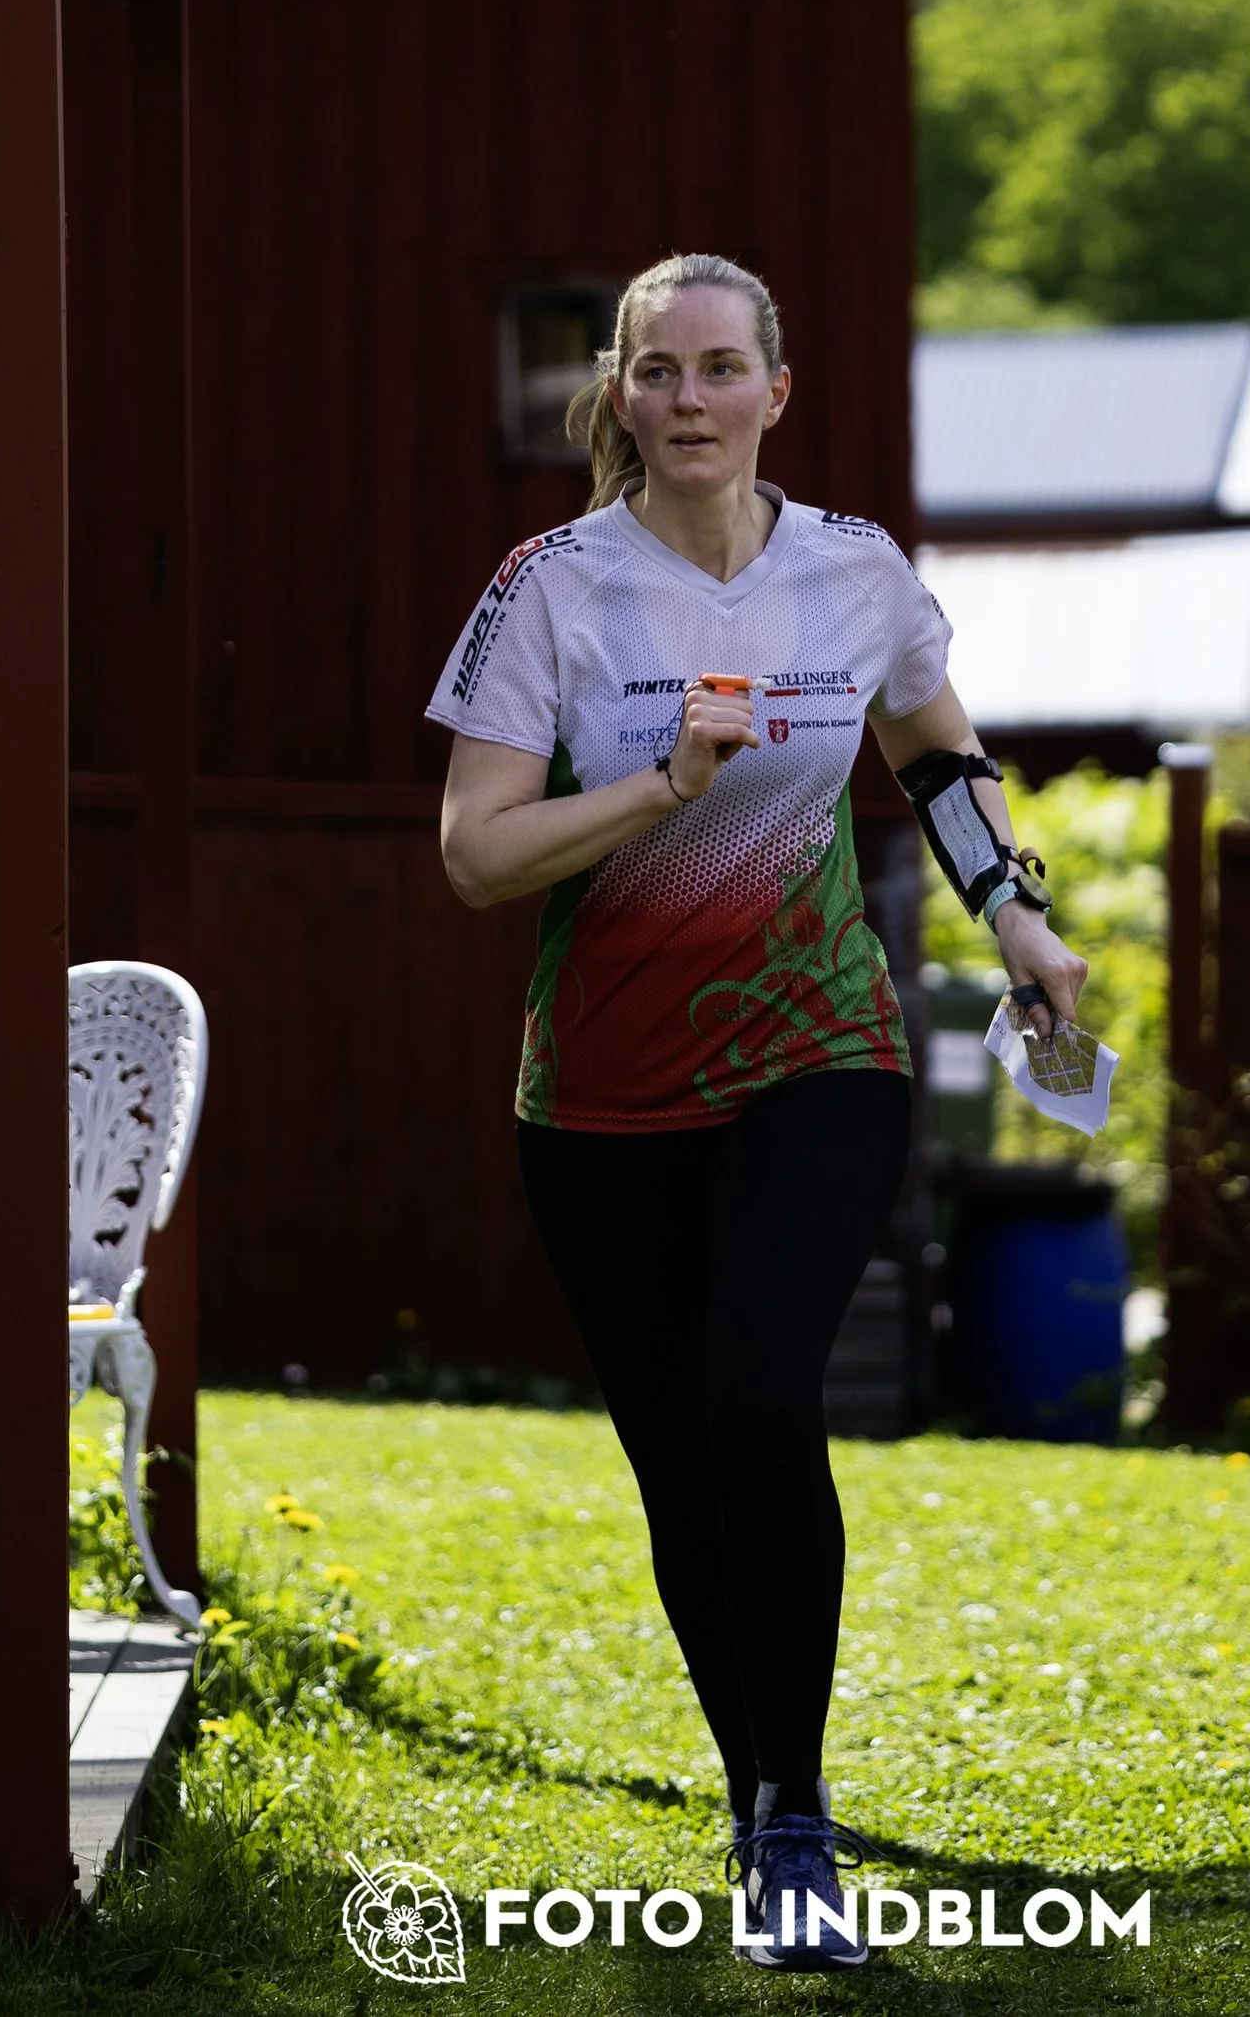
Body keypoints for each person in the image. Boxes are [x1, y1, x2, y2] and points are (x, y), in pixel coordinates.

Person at [428, 251, 1087, 1970]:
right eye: (662, 373)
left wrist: (1014, 913)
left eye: (725, 370)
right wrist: (661, 788)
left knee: (754, 1399)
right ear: (623, 393)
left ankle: (794, 1825)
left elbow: (937, 759)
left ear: (776, 392)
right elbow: (477, 854)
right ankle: (755, 1792)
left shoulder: (852, 575)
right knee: (678, 1472)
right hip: (601, 1098)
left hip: (814, 1051)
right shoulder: (554, 589)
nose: (694, 400)